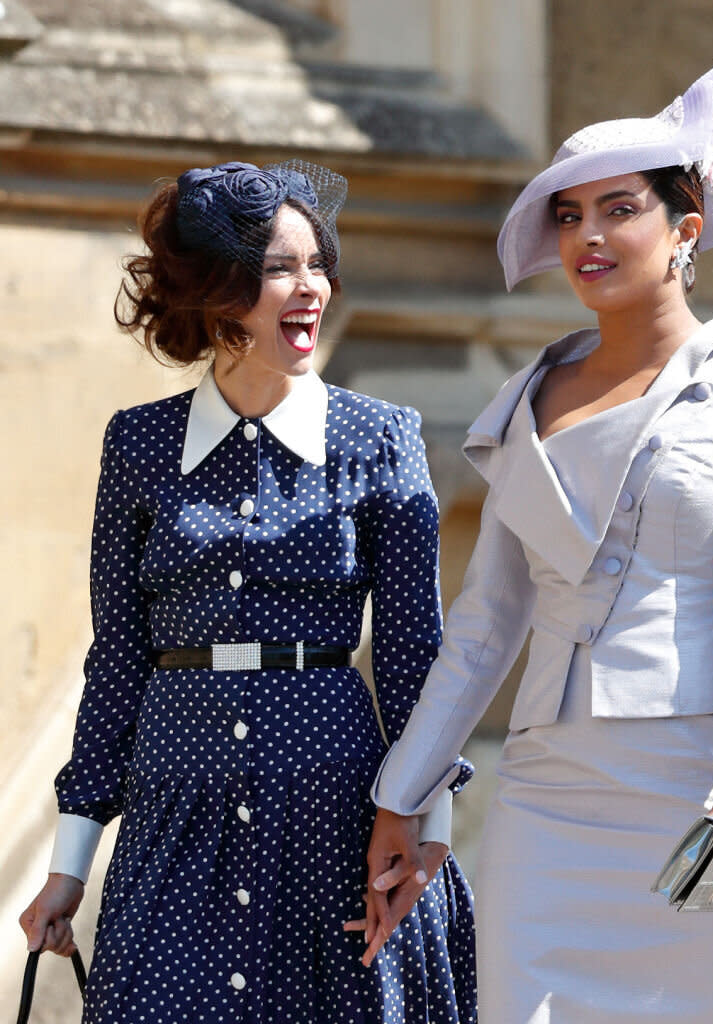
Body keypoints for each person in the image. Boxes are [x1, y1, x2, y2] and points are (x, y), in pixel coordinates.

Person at [364, 38, 713, 1023]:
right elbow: (485, 621)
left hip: (701, 778)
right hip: (546, 792)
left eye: (620, 209)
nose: (588, 234)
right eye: (568, 214)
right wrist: (402, 795)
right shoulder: (522, 396)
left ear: (684, 230)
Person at [18, 159, 477, 1024]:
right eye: (278, 269)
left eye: (318, 264)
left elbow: (418, 652)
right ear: (215, 288)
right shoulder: (138, 444)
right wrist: (70, 862)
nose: (310, 288)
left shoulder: (380, 437)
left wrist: (425, 826)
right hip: (174, 807)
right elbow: (117, 656)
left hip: (336, 813)